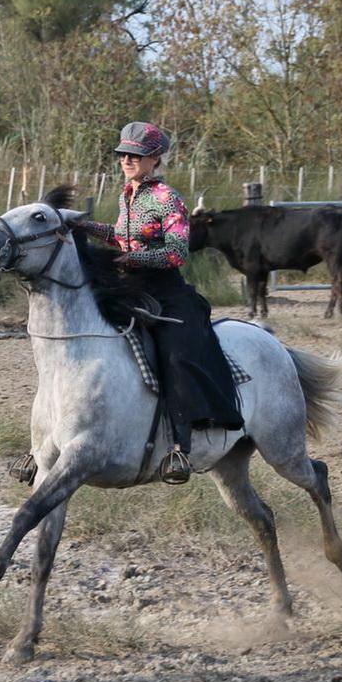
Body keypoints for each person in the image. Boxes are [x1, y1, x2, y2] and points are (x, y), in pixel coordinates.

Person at [76, 121, 244, 484]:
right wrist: (84, 226)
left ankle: (180, 448)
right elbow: (121, 238)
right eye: (123, 153)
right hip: (129, 286)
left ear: (154, 158)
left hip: (167, 291)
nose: (127, 159)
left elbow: (177, 252)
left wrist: (132, 260)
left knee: (177, 355)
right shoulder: (127, 194)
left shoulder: (168, 198)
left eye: (135, 154)